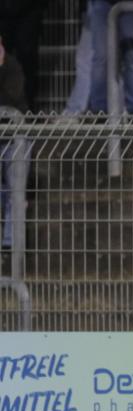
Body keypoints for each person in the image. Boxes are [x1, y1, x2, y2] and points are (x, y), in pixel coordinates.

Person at [88, 0, 133, 114]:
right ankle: (99, 111)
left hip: (128, 4)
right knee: (101, 58)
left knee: (132, 57)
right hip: (100, 4)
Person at [0, 35, 28, 250]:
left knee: (15, 189)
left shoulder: (12, 67)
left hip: (15, 137)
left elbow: (10, 100)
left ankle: (13, 245)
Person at [0, 0, 46, 111]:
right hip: (3, 11)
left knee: (27, 58)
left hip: (29, 9)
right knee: (4, 61)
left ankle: (26, 108)